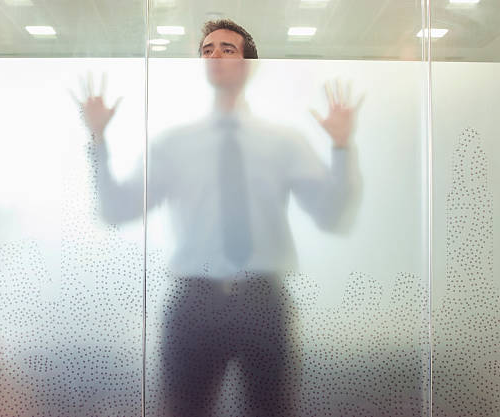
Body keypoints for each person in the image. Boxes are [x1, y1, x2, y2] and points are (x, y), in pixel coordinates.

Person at [77, 19, 362, 417]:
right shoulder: (174, 143)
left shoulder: (283, 142)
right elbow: (116, 209)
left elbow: (333, 215)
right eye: (207, 50)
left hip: (263, 302)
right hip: (194, 301)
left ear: (249, 65)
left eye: (228, 49)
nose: (215, 56)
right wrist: (98, 141)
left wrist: (342, 146)